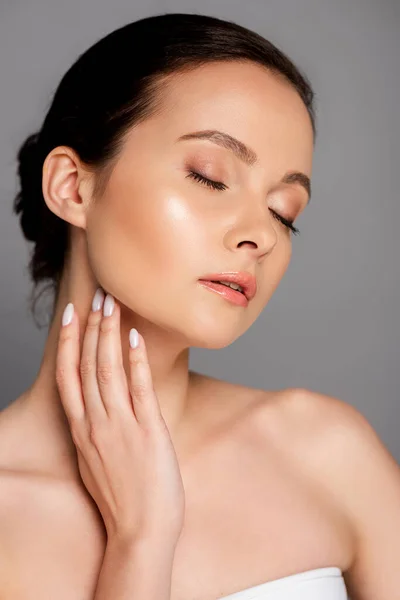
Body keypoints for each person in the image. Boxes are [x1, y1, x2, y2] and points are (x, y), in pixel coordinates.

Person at [0, 11, 398, 600]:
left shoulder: (326, 452)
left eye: (284, 211)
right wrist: (141, 543)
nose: (261, 235)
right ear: (72, 187)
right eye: (211, 177)